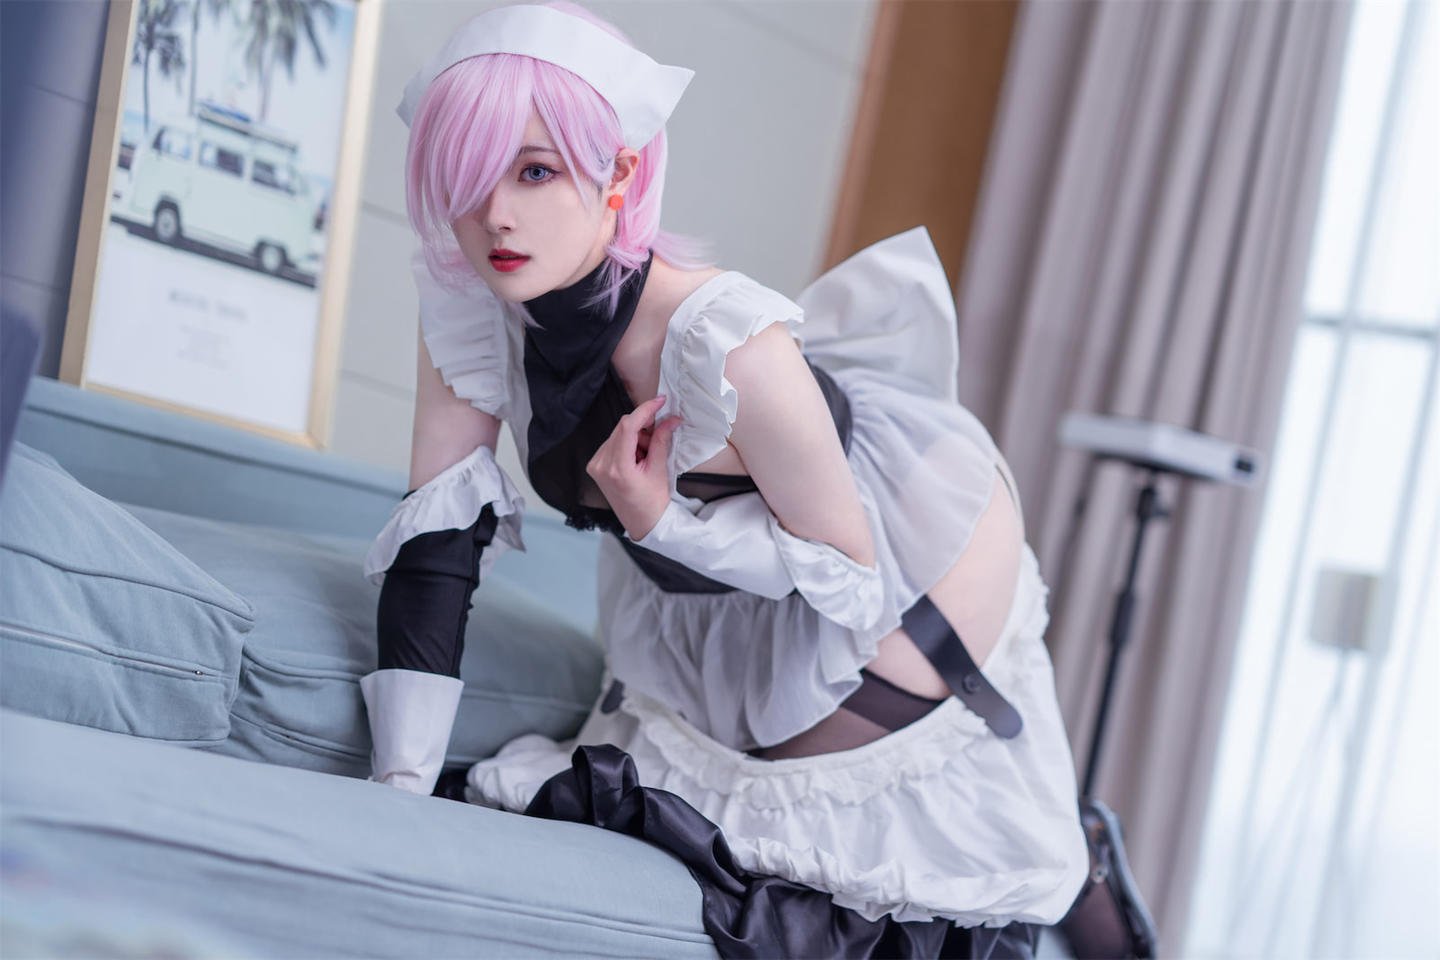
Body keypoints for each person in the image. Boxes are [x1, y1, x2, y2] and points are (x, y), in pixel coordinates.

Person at [358, 2, 1090, 956]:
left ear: (620, 172)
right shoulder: (472, 312)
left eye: (536, 171)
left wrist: (663, 524)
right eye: (469, 175)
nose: (496, 215)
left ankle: (1098, 885)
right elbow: (436, 553)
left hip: (900, 579)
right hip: (712, 593)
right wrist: (396, 794)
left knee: (829, 888)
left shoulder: (723, 342)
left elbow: (848, 577)